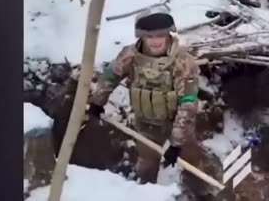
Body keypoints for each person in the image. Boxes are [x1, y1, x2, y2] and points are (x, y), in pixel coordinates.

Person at [87, 10, 212, 199]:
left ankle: (201, 192)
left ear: (169, 34)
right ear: (141, 36)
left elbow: (187, 102)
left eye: (160, 35)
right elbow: (111, 75)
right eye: (149, 36)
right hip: (145, 123)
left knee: (191, 160)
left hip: (177, 122)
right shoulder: (131, 55)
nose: (155, 41)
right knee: (147, 164)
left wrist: (176, 143)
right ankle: (145, 195)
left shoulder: (184, 62)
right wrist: (97, 102)